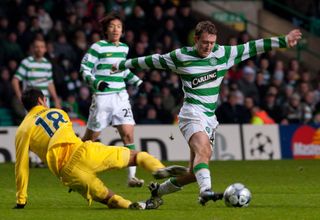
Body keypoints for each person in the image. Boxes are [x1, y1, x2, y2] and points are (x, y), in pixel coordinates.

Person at [113, 20, 302, 206]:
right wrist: (123, 65)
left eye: (212, 43)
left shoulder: (223, 53)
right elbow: (152, 60)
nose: (208, 47)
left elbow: (253, 47)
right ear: (196, 39)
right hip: (191, 113)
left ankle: (158, 191)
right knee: (203, 150)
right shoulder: (181, 56)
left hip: (210, 119)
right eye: (205, 42)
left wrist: (284, 41)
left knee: (195, 172)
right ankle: (205, 192)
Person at [14, 88, 188, 210]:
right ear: (41, 101)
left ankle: (129, 205)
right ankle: (158, 168)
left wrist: (21, 199)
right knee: (136, 156)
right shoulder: (58, 112)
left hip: (67, 172)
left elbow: (21, 166)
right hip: (85, 152)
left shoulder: (23, 129)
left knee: (105, 196)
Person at [80, 13, 144, 187]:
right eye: (112, 26)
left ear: (122, 31)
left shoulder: (124, 48)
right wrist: (95, 82)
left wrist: (136, 80)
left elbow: (121, 70)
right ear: (105, 30)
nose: (116, 29)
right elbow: (84, 69)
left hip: (121, 97)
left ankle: (131, 177)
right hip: (102, 98)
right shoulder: (97, 47)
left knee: (129, 135)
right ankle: (73, 164)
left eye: (119, 27)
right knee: (90, 138)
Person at [12, 38, 61, 167]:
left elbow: (50, 83)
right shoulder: (26, 63)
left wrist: (56, 99)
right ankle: (25, 158)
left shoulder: (47, 64)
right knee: (30, 130)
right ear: (33, 48)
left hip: (45, 102)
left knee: (45, 131)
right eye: (37, 47)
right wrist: (20, 97)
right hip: (31, 103)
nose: (39, 49)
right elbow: (15, 80)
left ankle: (42, 160)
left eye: (42, 47)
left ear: (45, 49)